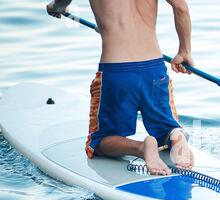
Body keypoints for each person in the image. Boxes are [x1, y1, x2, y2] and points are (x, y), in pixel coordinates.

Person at [47, 0, 195, 175]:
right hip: (154, 70)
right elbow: (181, 7)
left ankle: (142, 148)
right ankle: (176, 135)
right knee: (167, 126)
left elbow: (62, 2)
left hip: (117, 71)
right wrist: (184, 51)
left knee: (99, 141)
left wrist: (56, 8)